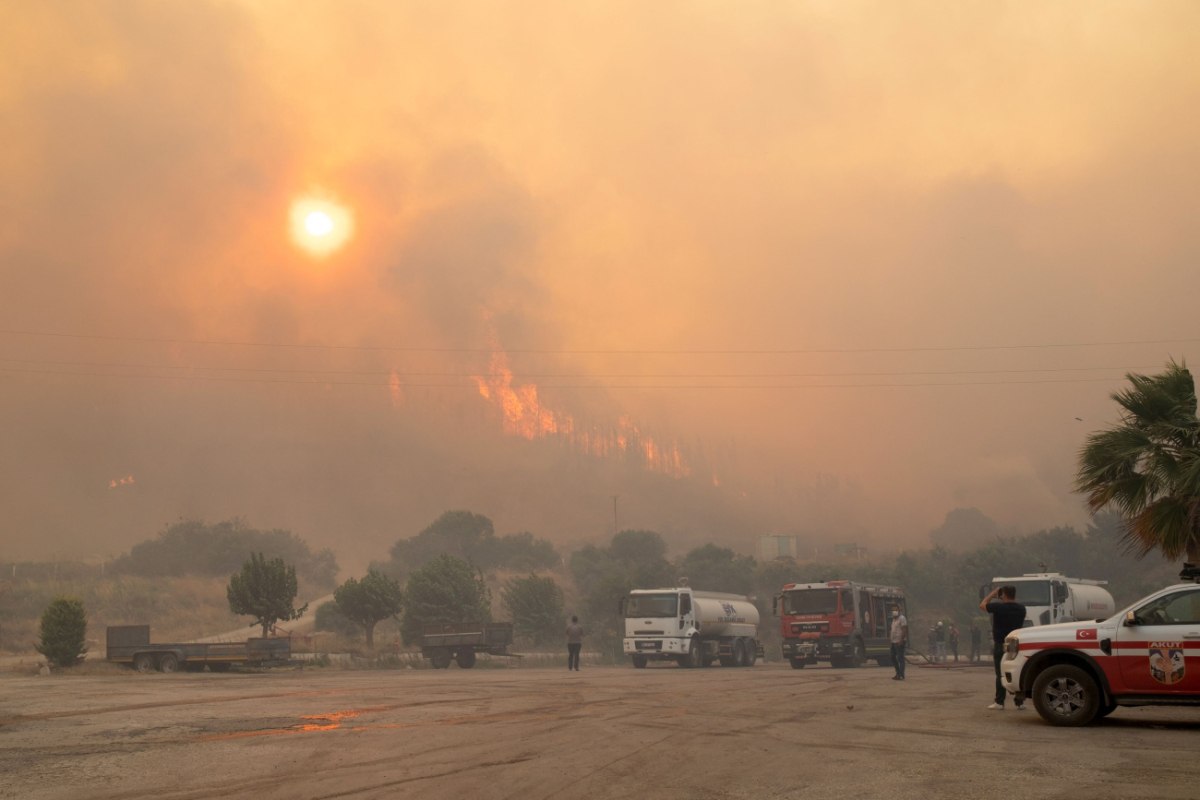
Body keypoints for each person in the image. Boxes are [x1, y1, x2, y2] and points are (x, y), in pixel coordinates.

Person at [980, 585, 1026, 710]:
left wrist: (992, 593)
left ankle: (999, 702)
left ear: (1003, 594)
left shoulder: (998, 607)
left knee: (1000, 674)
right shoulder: (1022, 608)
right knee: (1017, 672)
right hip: (1016, 645)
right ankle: (1020, 702)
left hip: (1001, 644)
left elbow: (983, 604)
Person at [889, 606, 908, 680]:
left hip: (899, 641)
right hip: (893, 642)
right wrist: (890, 639)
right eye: (893, 610)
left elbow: (904, 629)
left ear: (899, 610)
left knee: (900, 658)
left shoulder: (902, 618)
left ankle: (901, 674)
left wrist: (901, 640)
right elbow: (892, 630)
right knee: (892, 657)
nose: (894, 611)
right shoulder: (894, 619)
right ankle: (898, 673)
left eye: (896, 610)